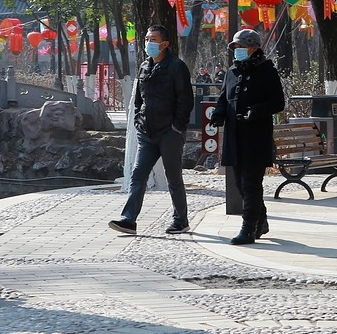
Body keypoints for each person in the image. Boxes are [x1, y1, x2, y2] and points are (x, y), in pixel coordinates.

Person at [109, 25, 194, 235]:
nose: (148, 43)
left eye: (153, 39)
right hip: (147, 132)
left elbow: (185, 100)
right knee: (138, 175)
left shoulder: (176, 67)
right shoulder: (145, 66)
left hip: (169, 132)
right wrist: (138, 120)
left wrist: (177, 127)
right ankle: (129, 220)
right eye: (147, 38)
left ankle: (181, 220)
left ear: (164, 44)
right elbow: (139, 99)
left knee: (173, 177)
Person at [211, 29, 286, 245]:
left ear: (253, 48)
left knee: (251, 183)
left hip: (255, 137)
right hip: (234, 136)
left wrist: (256, 111)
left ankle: (248, 228)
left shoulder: (266, 71)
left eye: (241, 46)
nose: (237, 50)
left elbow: (278, 102)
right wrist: (218, 114)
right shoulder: (232, 71)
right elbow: (224, 98)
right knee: (239, 183)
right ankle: (260, 219)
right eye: (235, 47)